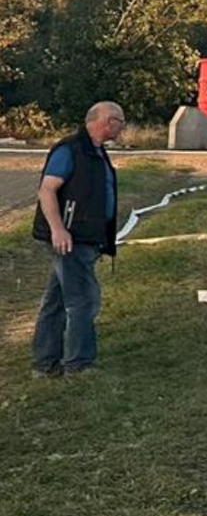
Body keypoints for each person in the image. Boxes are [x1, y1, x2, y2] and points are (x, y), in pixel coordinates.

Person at [30, 101, 125, 377]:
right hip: (70, 238)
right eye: (120, 121)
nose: (122, 127)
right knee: (84, 299)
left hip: (85, 238)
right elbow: (47, 190)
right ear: (106, 121)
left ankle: (45, 363)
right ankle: (79, 364)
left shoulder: (95, 152)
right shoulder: (70, 149)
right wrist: (59, 229)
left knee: (57, 300)